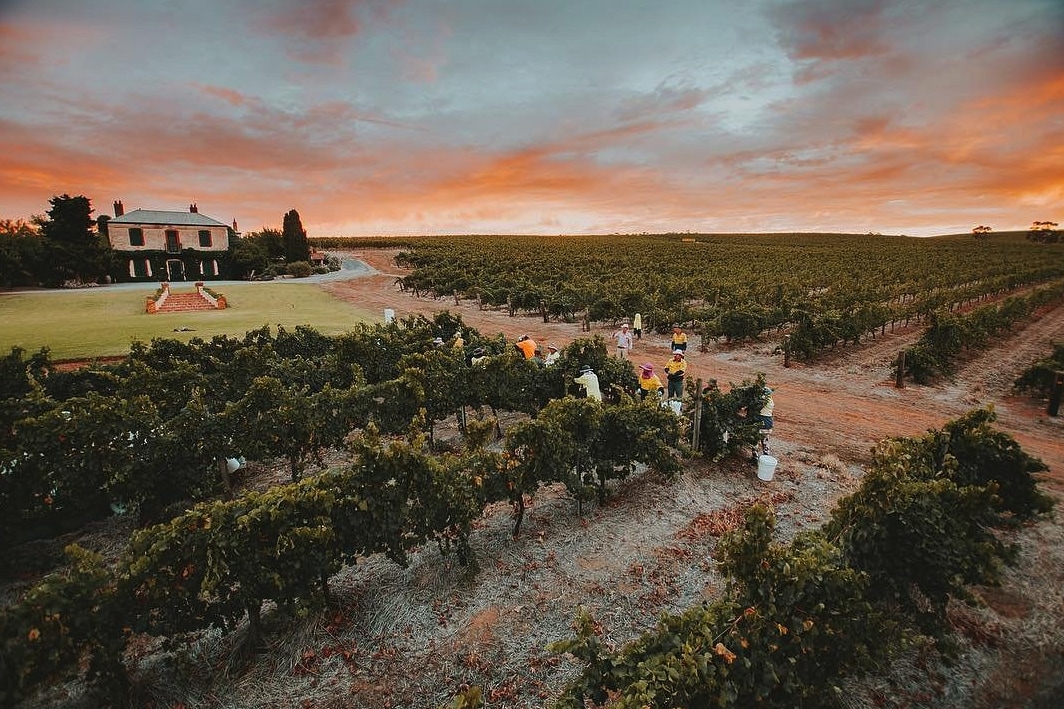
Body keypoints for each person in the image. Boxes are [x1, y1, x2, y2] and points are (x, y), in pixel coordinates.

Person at [759, 387, 775, 455]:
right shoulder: (771, 401)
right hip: (769, 423)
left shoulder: (762, 400)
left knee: (755, 440)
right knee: (765, 440)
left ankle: (755, 457)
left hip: (762, 422)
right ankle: (766, 454)